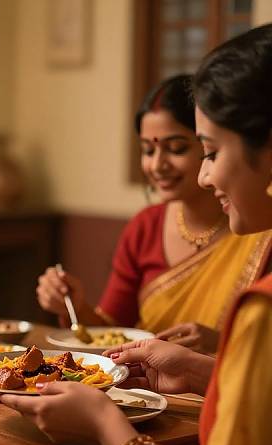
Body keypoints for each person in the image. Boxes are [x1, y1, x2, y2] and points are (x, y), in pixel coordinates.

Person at [2, 23, 272, 445]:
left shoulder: (263, 307)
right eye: (148, 150)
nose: (203, 173)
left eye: (206, 151)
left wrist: (109, 427)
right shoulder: (146, 226)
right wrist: (198, 370)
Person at [37, 74, 272, 352]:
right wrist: (75, 307)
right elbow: (113, 331)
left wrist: (219, 344)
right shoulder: (145, 227)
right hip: (144, 390)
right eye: (148, 150)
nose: (158, 164)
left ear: (210, 145)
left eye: (176, 148)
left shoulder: (259, 227)